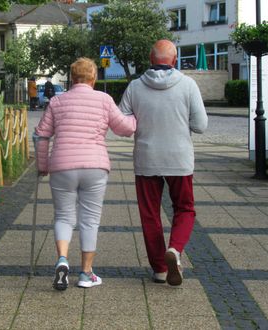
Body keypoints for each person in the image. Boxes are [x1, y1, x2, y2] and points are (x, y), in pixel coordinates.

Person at [34, 57, 136, 290]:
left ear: (72, 78)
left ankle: (62, 259)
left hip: (62, 166)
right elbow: (124, 128)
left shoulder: (57, 102)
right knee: (90, 219)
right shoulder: (104, 100)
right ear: (93, 78)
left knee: (63, 216)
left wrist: (42, 166)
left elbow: (42, 136)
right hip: (94, 166)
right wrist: (138, 117)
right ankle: (86, 273)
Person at [119, 40, 208, 286]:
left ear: (150, 58)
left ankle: (159, 269)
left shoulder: (135, 87)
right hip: (179, 159)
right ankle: (176, 250)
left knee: (150, 214)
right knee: (185, 209)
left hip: (147, 158)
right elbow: (201, 126)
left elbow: (123, 123)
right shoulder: (188, 85)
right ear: (175, 60)